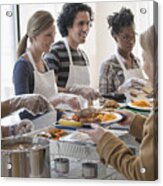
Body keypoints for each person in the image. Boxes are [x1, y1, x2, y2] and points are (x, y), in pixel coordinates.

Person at [80, 25, 158, 180]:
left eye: (145, 59)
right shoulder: (108, 64)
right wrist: (135, 122)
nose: (144, 65)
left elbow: (142, 173)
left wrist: (105, 140)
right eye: (125, 37)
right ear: (115, 37)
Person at [13, 10, 81, 111]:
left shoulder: (45, 63)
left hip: (51, 125)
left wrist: (65, 116)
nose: (53, 40)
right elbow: (23, 111)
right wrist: (60, 98)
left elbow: (51, 102)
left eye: (54, 34)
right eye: (48, 35)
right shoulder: (22, 66)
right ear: (34, 36)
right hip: (34, 126)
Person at [44, 3, 99, 103]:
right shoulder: (54, 53)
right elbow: (50, 91)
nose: (86, 28)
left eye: (88, 23)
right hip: (61, 115)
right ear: (68, 26)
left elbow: (85, 95)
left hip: (81, 114)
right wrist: (78, 91)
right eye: (81, 23)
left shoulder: (83, 56)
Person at [99, 7, 146, 94]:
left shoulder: (137, 62)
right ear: (115, 38)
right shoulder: (108, 66)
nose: (131, 41)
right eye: (126, 37)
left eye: (133, 36)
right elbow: (103, 100)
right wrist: (121, 90)